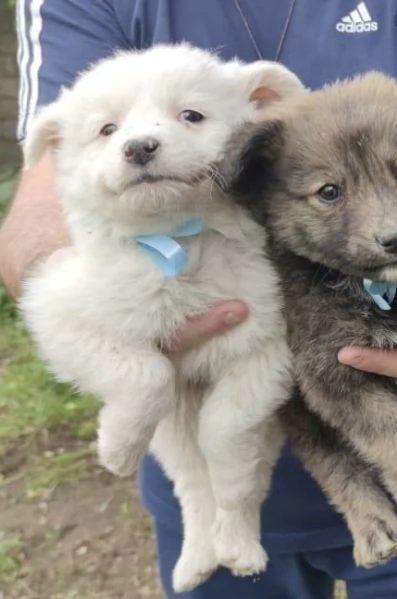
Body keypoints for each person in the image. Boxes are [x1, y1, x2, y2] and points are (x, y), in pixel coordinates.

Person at [2, 1, 397, 597]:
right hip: (208, 485)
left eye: (189, 115)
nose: (142, 141)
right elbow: (40, 201)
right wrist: (114, 322)